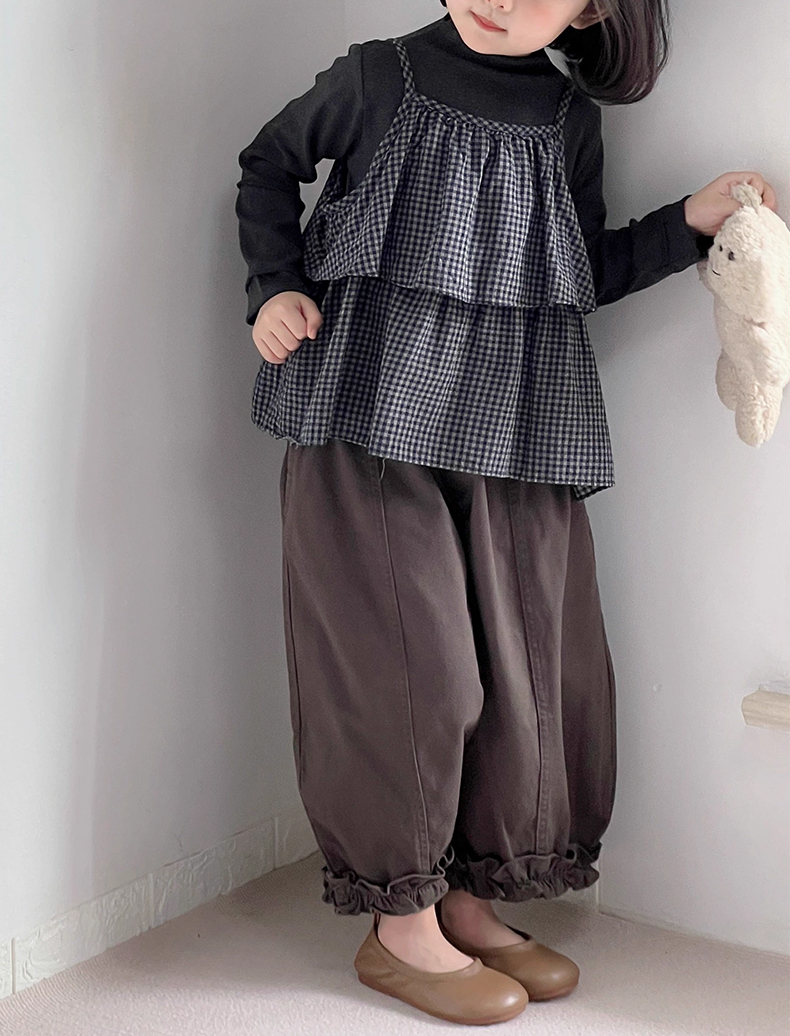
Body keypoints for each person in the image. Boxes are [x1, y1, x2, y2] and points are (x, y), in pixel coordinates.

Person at [235, 0, 779, 1025]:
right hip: (368, 414)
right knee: (413, 670)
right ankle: (399, 923)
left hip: (514, 426)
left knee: (524, 667)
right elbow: (267, 165)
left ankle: (468, 899)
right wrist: (274, 287)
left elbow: (576, 271)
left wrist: (688, 223)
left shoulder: (568, 120)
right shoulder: (378, 77)